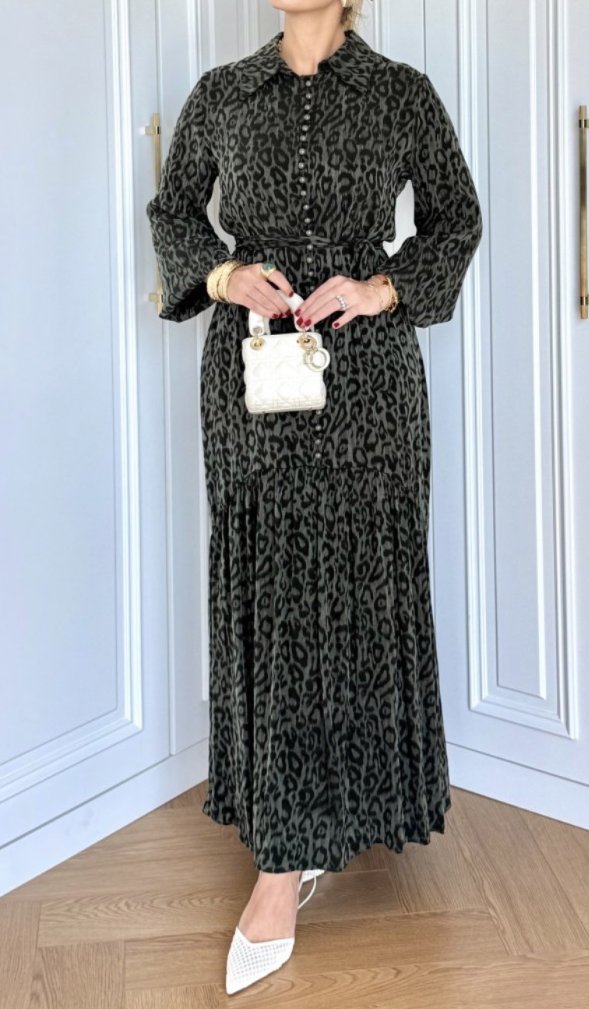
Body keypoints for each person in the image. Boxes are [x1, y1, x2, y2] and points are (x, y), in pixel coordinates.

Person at [146, 0, 482, 993]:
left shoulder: (400, 95)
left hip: (368, 383)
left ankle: (343, 816)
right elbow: (173, 212)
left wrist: (381, 288)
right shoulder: (221, 95)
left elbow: (456, 215)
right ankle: (282, 853)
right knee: (276, 596)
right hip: (252, 382)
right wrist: (223, 275)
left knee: (360, 591)